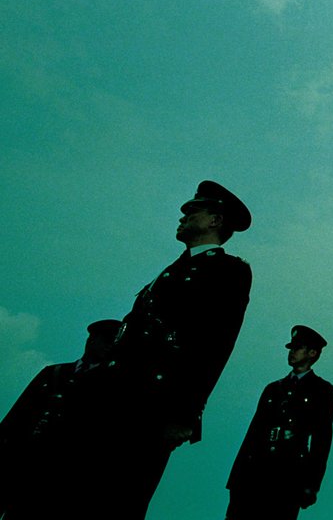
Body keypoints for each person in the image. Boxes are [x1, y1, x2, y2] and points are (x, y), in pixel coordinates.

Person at [79, 180, 253, 519]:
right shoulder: (170, 272)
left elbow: (216, 343)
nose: (183, 215)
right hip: (111, 394)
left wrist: (185, 413)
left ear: (215, 220)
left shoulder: (229, 271)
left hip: (153, 403)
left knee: (120, 499)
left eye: (193, 210)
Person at [0, 319, 120, 518]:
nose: (110, 346)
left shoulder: (111, 385)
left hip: (61, 475)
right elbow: (18, 415)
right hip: (22, 463)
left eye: (115, 343)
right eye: (106, 340)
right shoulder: (53, 373)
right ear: (92, 339)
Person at [226, 325, 333, 520]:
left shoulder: (322, 390)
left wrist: (311, 485)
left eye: (298, 348)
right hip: (254, 473)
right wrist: (236, 478)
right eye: (291, 348)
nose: (292, 352)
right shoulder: (273, 389)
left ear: (312, 353)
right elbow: (253, 433)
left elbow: (322, 440)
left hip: (288, 477)